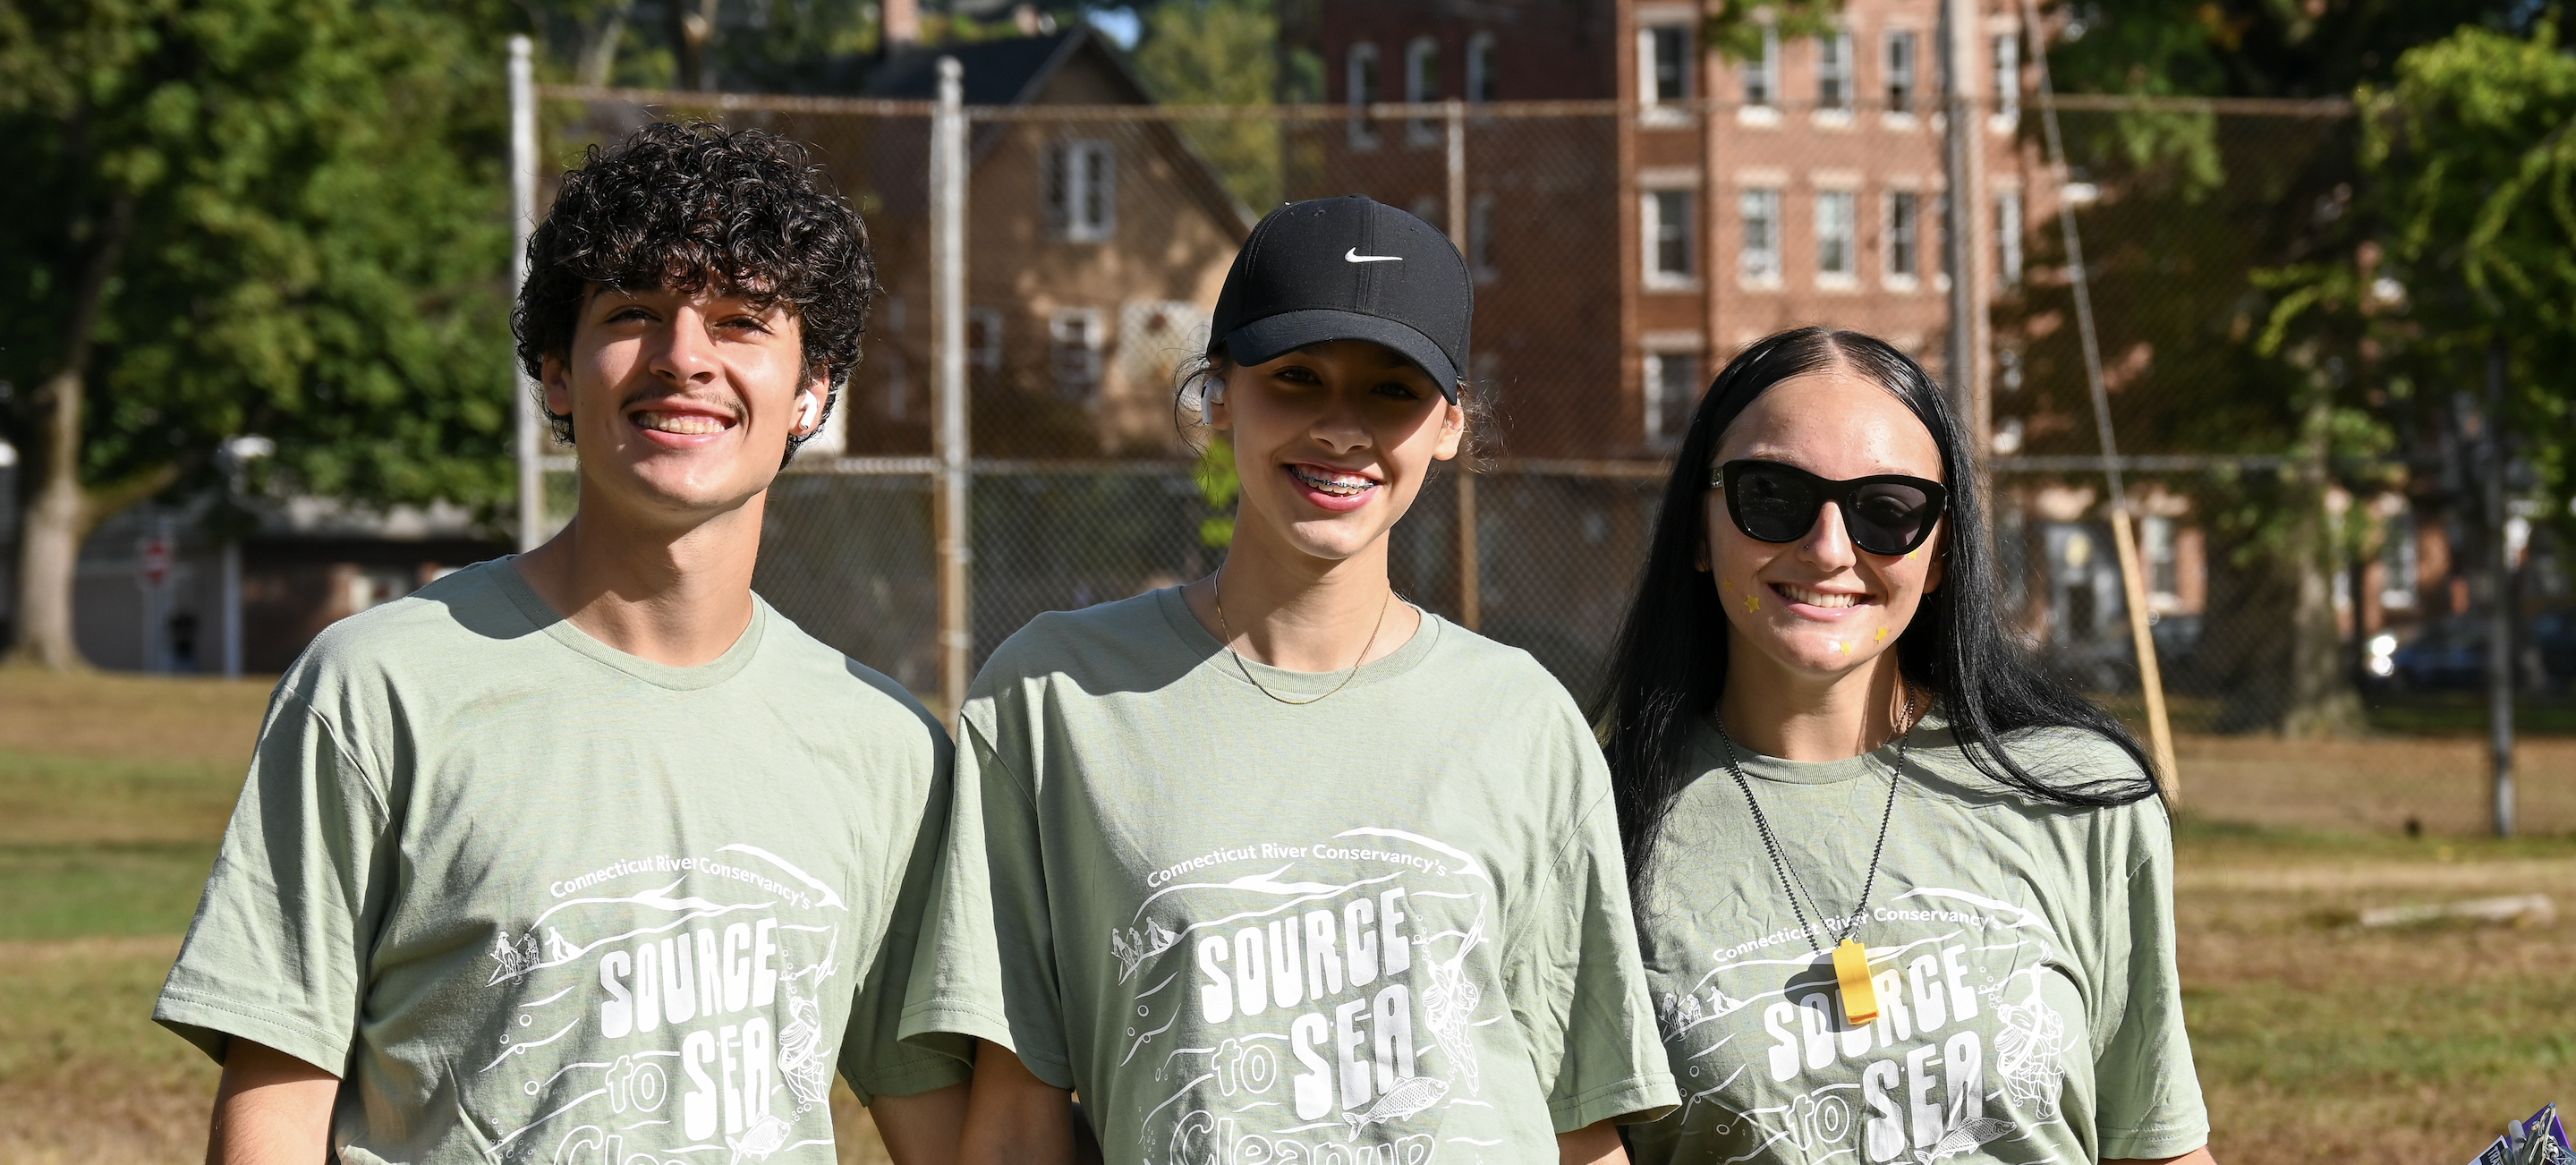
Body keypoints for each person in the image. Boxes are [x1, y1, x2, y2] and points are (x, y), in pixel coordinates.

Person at [156, 123, 969, 1164]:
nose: (685, 358)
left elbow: (949, 1130)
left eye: (740, 322)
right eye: (634, 314)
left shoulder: (887, 748)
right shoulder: (377, 688)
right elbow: (273, 1112)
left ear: (811, 390)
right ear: (554, 375)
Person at [903, 196, 1678, 1165]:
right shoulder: (1054, 696)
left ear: (1449, 424)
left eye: (1392, 392)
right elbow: (1017, 1119)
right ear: (1217, 394)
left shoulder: (1522, 719)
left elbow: (1579, 1123)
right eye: (1296, 379)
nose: (1340, 430)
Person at [1594, 327, 2215, 1165]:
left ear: (1942, 550)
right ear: (1700, 530)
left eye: (1887, 510)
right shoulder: (1590, 817)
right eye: (1771, 494)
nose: (1828, 548)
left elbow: (2155, 1144)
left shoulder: (2080, 796)